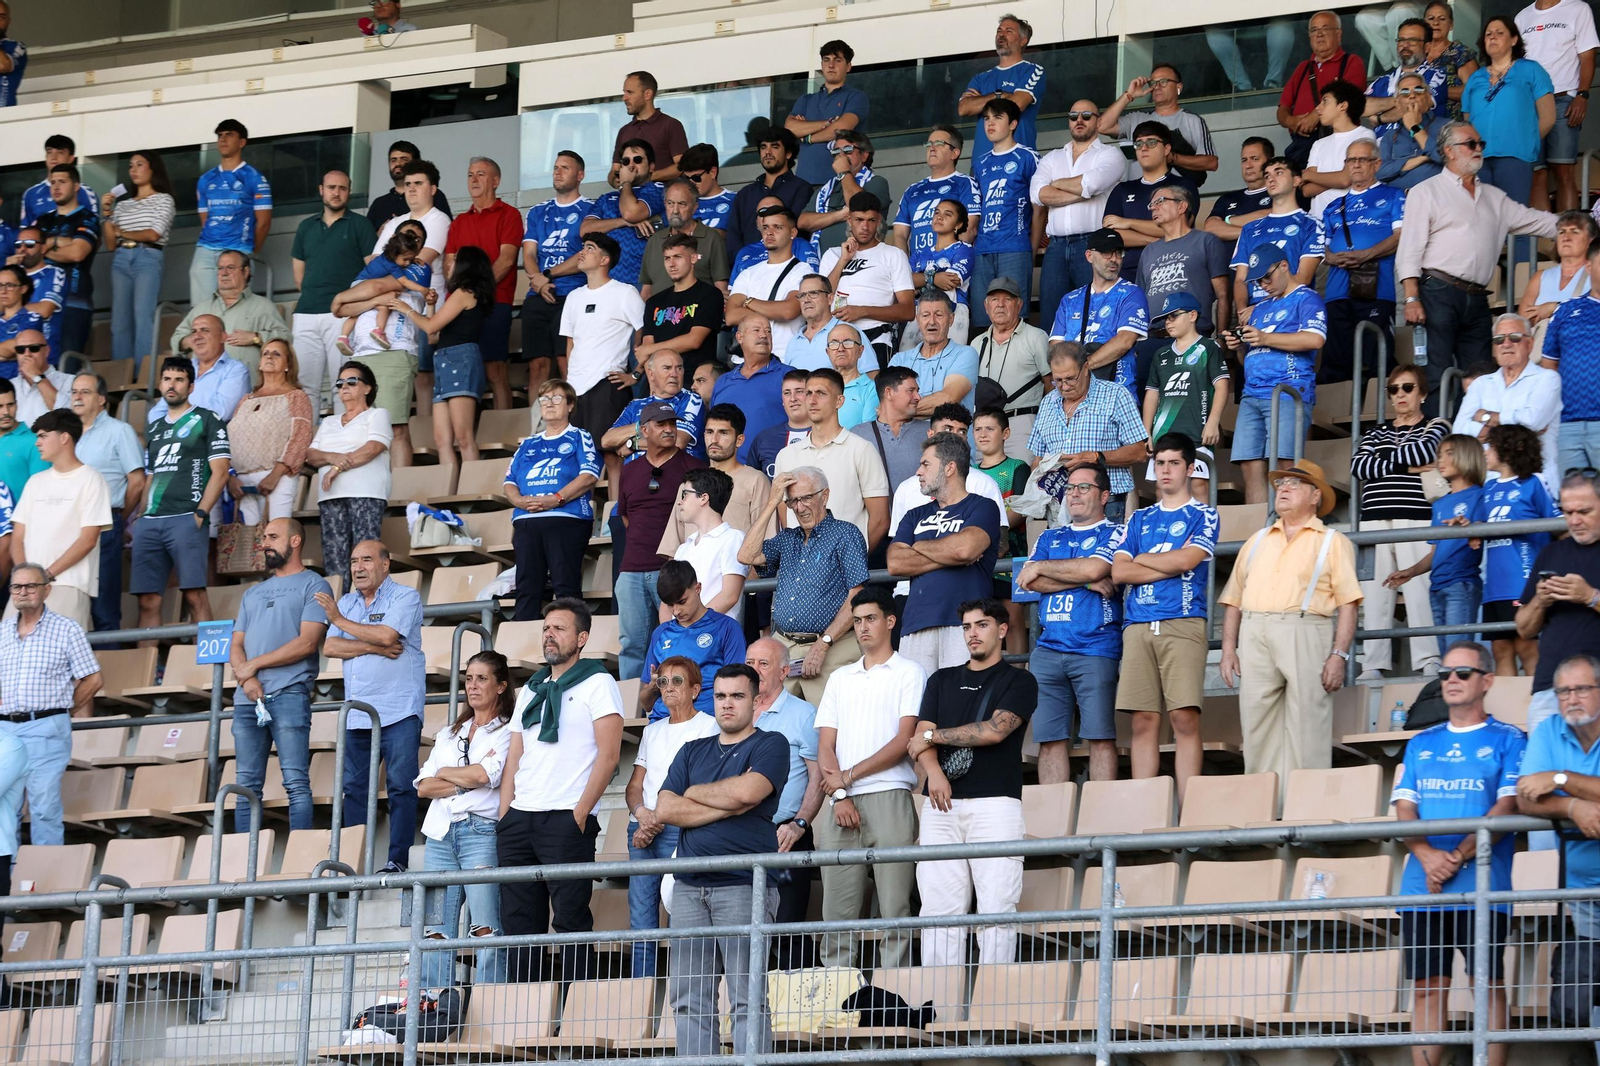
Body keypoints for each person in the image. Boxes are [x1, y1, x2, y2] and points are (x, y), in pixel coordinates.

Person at [1392, 640, 1520, 1065]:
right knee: (1428, 986)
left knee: (1487, 985)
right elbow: (1404, 807)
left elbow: (1507, 805)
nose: (1451, 680)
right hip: (1422, 885)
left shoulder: (1509, 738)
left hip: (1482, 880)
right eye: (1445, 673)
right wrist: (1428, 856)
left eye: (1462, 673)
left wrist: (1458, 856)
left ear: (1487, 680)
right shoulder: (1421, 742)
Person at [656, 664, 788, 1055]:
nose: (727, 704)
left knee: (747, 997)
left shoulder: (771, 743)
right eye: (721, 696)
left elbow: (749, 792)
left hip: (745, 884)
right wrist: (727, 803)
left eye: (737, 696)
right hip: (689, 887)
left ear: (757, 699)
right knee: (688, 997)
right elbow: (664, 808)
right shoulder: (691, 750)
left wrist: (694, 793)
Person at [498, 598, 624, 981]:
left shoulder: (599, 682)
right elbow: (514, 758)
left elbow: (610, 755)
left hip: (566, 817)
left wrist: (579, 813)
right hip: (521, 818)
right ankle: (525, 1018)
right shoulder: (532, 688)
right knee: (519, 927)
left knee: (570, 922)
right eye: (546, 628)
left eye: (560, 629)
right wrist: (506, 816)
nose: (549, 635)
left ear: (582, 638)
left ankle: (573, 1018)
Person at [1220, 459, 1362, 793]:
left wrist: (1338, 654)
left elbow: (1348, 602)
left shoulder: (1331, 541)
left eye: (1293, 484)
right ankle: (1262, 808)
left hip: (1306, 628)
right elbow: (1233, 599)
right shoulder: (1257, 540)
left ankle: (1306, 807)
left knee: (1308, 723)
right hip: (1255, 632)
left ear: (1315, 496)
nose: (1282, 488)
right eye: (1280, 484)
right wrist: (1228, 649)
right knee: (1256, 724)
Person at [1397, 121, 1559, 415]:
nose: (1478, 149)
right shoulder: (1427, 191)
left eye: (1480, 144)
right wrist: (1411, 298)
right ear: (1448, 150)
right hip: (1436, 291)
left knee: (1481, 376)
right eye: (1470, 144)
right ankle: (1437, 444)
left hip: (1477, 298)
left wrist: (1580, 226)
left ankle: (1474, 445)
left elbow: (1540, 222)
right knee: (1436, 374)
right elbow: (1410, 249)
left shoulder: (1494, 197)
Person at [908, 598, 1036, 968]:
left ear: (1001, 629)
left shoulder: (1020, 680)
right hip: (940, 805)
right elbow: (920, 737)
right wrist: (934, 773)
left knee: (996, 909)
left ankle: (994, 1016)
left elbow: (995, 731)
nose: (972, 634)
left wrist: (934, 739)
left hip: (995, 803)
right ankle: (938, 1012)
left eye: (981, 625)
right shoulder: (941, 679)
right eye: (966, 627)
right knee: (938, 911)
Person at [812, 585, 924, 968]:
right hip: (840, 801)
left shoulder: (910, 671)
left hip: (890, 794)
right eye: (857, 621)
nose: (862, 628)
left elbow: (904, 739)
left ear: (890, 621)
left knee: (895, 907)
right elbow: (824, 744)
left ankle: (893, 1002)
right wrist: (840, 794)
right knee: (836, 914)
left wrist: (847, 779)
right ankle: (836, 1003)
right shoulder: (840, 678)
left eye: (870, 619)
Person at [1105, 433, 1218, 800]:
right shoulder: (1138, 518)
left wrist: (1141, 560)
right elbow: (1119, 573)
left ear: (1189, 468)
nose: (1165, 470)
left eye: (1173, 463)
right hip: (1137, 624)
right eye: (1160, 463)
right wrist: (1161, 564)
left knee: (1184, 718)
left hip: (1183, 620)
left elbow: (1188, 561)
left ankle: (1188, 813)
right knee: (1142, 720)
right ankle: (1141, 812)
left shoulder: (1205, 513)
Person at [321, 540, 425, 874]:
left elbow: (387, 634)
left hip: (399, 710)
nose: (358, 567)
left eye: (367, 560)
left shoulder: (404, 596)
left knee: (400, 786)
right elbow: (331, 647)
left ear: (385, 564)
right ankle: (352, 865)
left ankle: (398, 861)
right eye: (353, 561)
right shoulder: (349, 601)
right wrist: (376, 648)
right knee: (354, 791)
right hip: (358, 714)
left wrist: (339, 619)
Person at [1017, 462, 1121, 784]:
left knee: (1100, 738)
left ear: (1104, 495)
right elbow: (1028, 580)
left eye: (1084, 487)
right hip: (1048, 650)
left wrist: (1067, 571)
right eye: (1070, 488)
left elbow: (1094, 568)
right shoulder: (1049, 537)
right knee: (1049, 741)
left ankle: (1102, 819)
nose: (1074, 494)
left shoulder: (1117, 531)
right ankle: (1053, 821)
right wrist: (1086, 581)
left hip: (1096, 647)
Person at [415, 650, 513, 990]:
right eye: (469, 678)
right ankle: (432, 1004)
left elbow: (488, 775)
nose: (473, 685)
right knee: (434, 927)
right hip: (440, 835)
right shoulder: (448, 732)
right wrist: (462, 778)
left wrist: (447, 774)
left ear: (501, 686)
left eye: (482, 678)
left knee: (485, 926)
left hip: (481, 833)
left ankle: (491, 1009)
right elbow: (424, 786)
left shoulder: (507, 731)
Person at [229, 518, 331, 834]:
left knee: (296, 781)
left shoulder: (315, 584)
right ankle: (239, 871)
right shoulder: (253, 592)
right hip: (247, 698)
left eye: (273, 536)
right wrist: (247, 679)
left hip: (289, 692)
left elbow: (308, 642)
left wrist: (253, 666)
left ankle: (300, 860)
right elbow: (235, 644)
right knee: (245, 785)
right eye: (264, 538)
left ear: (296, 541)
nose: (265, 543)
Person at [738, 467, 870, 702]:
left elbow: (857, 596)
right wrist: (771, 503)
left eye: (806, 498)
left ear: (824, 496)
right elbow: (746, 556)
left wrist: (823, 644)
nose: (799, 508)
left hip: (832, 646)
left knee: (827, 728)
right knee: (772, 724)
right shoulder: (788, 539)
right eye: (792, 501)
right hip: (785, 648)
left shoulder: (845, 533)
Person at [1352, 364, 1450, 678]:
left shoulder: (1436, 425)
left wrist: (1390, 461)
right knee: (1376, 594)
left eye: (1407, 388)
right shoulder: (1375, 431)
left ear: (1421, 393)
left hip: (1417, 517)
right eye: (1394, 390)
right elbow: (1359, 467)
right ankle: (1373, 663)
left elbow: (1425, 450)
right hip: (1374, 519)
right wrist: (1409, 468)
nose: (1400, 395)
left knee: (1420, 589)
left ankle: (1428, 659)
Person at [1515, 654, 1600, 1011]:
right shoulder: (1550, 729)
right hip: (1583, 890)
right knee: (1594, 1001)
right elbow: (1526, 796)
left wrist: (1561, 779)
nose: (1572, 698)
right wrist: (1571, 807)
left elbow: (1545, 784)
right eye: (1563, 691)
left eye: (1581, 689)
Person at [624, 656, 719, 976]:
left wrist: (656, 819)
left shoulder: (709, 726)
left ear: (695, 689)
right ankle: (641, 997)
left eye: (677, 681)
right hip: (644, 827)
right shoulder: (652, 730)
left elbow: (699, 788)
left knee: (683, 916)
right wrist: (641, 814)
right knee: (641, 920)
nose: (668, 688)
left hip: (681, 831)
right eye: (662, 682)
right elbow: (635, 784)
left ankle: (683, 995)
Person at [0, 561, 99, 846]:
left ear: (47, 590)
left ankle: (49, 882)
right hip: (5, 729)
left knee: (44, 808)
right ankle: (6, 880)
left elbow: (93, 679)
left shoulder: (67, 629)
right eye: (17, 586)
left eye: (31, 586)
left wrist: (63, 710)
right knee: (5, 808)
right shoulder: (2, 631)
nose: (23, 592)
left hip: (46, 727)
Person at [889, 433, 1002, 674]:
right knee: (919, 708)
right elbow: (895, 563)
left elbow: (965, 549)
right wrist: (951, 555)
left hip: (965, 624)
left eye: (926, 464)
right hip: (917, 623)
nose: (918, 471)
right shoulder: (914, 514)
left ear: (950, 468)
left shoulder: (983, 506)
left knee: (962, 706)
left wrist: (919, 546)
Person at [1226, 244, 1329, 504]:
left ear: (1284, 266)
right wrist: (1240, 347)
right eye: (1258, 280)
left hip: (1288, 391)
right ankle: (1260, 530)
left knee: (1285, 463)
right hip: (1252, 394)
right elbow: (1249, 356)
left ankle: (1285, 525)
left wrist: (1264, 337)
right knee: (1248, 463)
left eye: (1267, 277)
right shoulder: (1259, 308)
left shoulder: (1307, 298)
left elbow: (1316, 339)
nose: (1263, 284)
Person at [133, 359, 229, 632]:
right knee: (148, 601)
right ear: (160, 383)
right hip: (150, 521)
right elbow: (151, 476)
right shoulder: (154, 428)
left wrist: (200, 514)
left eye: (179, 379)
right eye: (167, 379)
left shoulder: (209, 419)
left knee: (194, 595)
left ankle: (210, 671)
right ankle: (147, 672)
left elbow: (220, 472)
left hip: (187, 517)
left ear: (191, 386)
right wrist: (141, 515)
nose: (171, 385)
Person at [745, 638, 822, 969]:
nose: (754, 670)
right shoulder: (734, 712)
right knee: (742, 932)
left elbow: (818, 777)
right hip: (740, 835)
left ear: (784, 671)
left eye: (763, 664)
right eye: (750, 663)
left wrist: (799, 824)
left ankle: (799, 1011)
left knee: (786, 928)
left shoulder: (804, 714)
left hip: (786, 833)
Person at [616, 403, 705, 682]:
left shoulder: (693, 468)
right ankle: (633, 710)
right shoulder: (629, 471)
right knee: (632, 645)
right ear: (644, 430)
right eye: (660, 424)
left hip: (674, 569)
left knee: (679, 639)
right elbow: (626, 517)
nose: (669, 429)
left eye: (672, 424)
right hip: (631, 569)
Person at [387, 244, 495, 470]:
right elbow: (434, 336)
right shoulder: (458, 294)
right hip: (445, 360)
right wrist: (430, 306)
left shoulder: (464, 292)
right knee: (442, 440)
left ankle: (471, 488)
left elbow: (429, 328)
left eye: (455, 260)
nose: (450, 264)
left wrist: (406, 309)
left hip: (460, 360)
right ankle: (451, 489)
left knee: (463, 437)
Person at [364, 159, 450, 441]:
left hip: (424, 307)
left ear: (433, 188)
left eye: (419, 184)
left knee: (424, 375)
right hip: (392, 307)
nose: (412, 190)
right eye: (408, 184)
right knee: (397, 376)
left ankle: (426, 437)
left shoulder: (439, 219)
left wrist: (386, 269)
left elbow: (421, 263)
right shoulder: (396, 223)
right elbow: (371, 260)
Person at [505, 378, 599, 619]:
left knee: (565, 586)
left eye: (556, 398)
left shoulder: (580, 436)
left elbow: (589, 476)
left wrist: (555, 499)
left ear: (570, 406)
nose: (549, 403)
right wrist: (519, 502)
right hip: (527, 521)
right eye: (544, 399)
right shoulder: (527, 443)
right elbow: (510, 482)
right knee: (526, 588)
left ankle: (572, 645)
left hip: (566, 519)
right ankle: (522, 650)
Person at [1385, 433, 1487, 656]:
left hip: (1461, 583)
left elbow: (1482, 525)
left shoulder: (1480, 495)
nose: (1441, 460)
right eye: (1439, 455)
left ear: (1467, 456)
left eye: (1449, 454)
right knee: (1446, 654)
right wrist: (1411, 571)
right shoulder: (1440, 503)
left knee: (1458, 653)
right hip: (1437, 585)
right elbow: (1435, 551)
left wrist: (1471, 528)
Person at [8, 408, 108, 632]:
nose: (37, 443)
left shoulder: (92, 479)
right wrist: (27, 580)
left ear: (64, 437)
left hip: (69, 584)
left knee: (60, 662)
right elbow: (17, 537)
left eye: (43, 436)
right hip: (25, 588)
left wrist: (45, 576)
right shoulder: (35, 481)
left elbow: (88, 540)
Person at [1028, 341, 1151, 521]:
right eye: (1058, 380)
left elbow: (1139, 452)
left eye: (1070, 378)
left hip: (1104, 503)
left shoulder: (1115, 395)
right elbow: (1037, 459)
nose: (1064, 386)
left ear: (1086, 367)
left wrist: (1096, 457)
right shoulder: (1048, 402)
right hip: (1059, 505)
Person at [1033, 100, 1131, 325]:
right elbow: (1037, 194)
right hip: (1055, 247)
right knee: (1053, 318)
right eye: (1073, 115)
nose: (1079, 120)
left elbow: (1094, 183)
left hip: (1093, 244)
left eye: (1086, 115)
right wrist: (1083, 192)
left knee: (1095, 315)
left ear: (1098, 121)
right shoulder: (1052, 157)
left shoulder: (1111, 155)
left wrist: (1056, 184)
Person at [291, 171, 378, 419]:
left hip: (341, 315)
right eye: (331, 187)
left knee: (345, 385)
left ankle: (345, 443)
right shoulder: (306, 226)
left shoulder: (360, 224)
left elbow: (371, 270)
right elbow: (299, 276)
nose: (336, 192)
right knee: (305, 386)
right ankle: (306, 447)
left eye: (342, 188)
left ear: (349, 192)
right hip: (306, 313)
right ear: (321, 189)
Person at [1474, 423, 1559, 676]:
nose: (1486, 452)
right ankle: (1508, 711)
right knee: (1500, 648)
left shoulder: (1534, 483)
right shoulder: (1488, 488)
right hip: (1494, 585)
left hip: (1522, 580)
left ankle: (1539, 708)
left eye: (1491, 447)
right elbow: (1481, 525)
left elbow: (1557, 523)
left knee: (1527, 646)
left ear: (1508, 451)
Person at [439, 158, 522, 411]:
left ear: (495, 181)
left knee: (495, 371)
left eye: (481, 174)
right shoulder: (459, 223)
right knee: (459, 374)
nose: (474, 180)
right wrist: (464, 296)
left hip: (494, 302)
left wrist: (475, 292)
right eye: (470, 175)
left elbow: (506, 260)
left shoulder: (510, 215)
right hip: (461, 309)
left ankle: (502, 431)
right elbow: (448, 267)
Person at [1320, 140, 1406, 383]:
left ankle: (1379, 415)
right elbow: (1322, 248)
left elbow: (1400, 236)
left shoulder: (1393, 195)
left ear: (1376, 163)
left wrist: (1367, 254)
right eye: (1351, 160)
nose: (1355, 165)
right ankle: (1336, 415)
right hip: (1337, 291)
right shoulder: (1333, 206)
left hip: (1376, 288)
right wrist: (1332, 257)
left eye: (1362, 159)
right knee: (1336, 361)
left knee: (1378, 356)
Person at [773, 368, 890, 547]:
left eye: (821, 393)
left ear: (839, 401)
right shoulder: (786, 455)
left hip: (846, 569)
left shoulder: (862, 449)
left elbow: (880, 520)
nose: (812, 400)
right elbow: (786, 516)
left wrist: (851, 562)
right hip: (801, 568)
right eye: (808, 393)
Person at [1132, 188, 1232, 396]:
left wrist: (1221, 338)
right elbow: (1140, 300)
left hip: (1192, 338)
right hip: (1152, 341)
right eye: (1152, 204)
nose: (1154, 208)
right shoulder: (1149, 251)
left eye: (1160, 201)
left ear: (1182, 206)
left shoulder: (1206, 241)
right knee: (1148, 410)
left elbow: (1223, 294)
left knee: (1194, 410)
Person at [1451, 313, 1562, 489]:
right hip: (1488, 485)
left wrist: (1485, 418)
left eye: (1515, 337)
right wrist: (1518, 433)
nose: (1506, 344)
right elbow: (1460, 432)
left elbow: (1533, 421)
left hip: (1537, 484)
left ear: (1530, 344)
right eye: (1499, 339)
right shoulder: (1480, 384)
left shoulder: (1547, 379)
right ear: (1494, 348)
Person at [306, 361, 392, 586]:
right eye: (340, 382)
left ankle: (366, 609)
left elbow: (372, 448)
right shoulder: (329, 422)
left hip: (366, 493)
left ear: (367, 388)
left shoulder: (377, 414)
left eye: (352, 381)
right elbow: (312, 455)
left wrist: (336, 467)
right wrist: (334, 458)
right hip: (330, 496)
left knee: (365, 557)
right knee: (335, 561)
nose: (344, 386)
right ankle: (339, 614)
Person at [68, 374, 142, 636]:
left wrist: (119, 516)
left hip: (103, 525)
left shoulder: (119, 431)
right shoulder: (66, 434)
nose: (77, 397)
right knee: (68, 606)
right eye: (74, 392)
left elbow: (136, 480)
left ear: (101, 399)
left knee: (104, 609)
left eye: (85, 392)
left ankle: (111, 670)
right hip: (67, 528)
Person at [1462, 16, 1557, 208]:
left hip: (1515, 156)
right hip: (1479, 158)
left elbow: (1548, 117)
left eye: (1499, 33)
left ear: (1514, 40)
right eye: (1488, 34)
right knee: (1484, 220)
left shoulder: (1531, 69)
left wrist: (1525, 140)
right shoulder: (1475, 78)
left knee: (1515, 220)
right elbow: (1467, 121)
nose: (1493, 37)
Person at [1143, 293, 1230, 502]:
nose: (1168, 322)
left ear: (1192, 315)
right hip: (1164, 435)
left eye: (1174, 316)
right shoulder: (1161, 354)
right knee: (1162, 491)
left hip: (1197, 434)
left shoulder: (1209, 348)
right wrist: (1146, 432)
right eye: (1165, 318)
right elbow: (1152, 394)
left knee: (1198, 487)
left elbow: (1222, 385)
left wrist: (1213, 422)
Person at [562, 234, 646, 444]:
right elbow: (570, 345)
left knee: (609, 452)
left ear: (604, 260)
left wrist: (635, 374)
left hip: (607, 384)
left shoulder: (625, 292)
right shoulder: (573, 297)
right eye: (583, 247)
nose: (582, 252)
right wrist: (568, 384)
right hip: (575, 387)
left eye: (590, 248)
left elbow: (646, 333)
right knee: (576, 453)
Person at [660, 405, 776, 556]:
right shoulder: (687, 485)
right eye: (709, 432)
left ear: (739, 440)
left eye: (723, 432)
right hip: (691, 577)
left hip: (737, 575)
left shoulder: (755, 481)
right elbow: (673, 548)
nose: (714, 439)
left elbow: (766, 541)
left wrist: (747, 579)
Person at [640, 559, 746, 722]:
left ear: (698, 588)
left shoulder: (726, 628)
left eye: (682, 602)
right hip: (662, 722)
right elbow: (645, 704)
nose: (676, 611)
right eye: (670, 605)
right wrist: (654, 686)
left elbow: (737, 688)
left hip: (708, 722)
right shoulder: (660, 634)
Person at [521, 151, 595, 385]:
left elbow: (585, 255)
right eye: (555, 167)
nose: (557, 172)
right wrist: (538, 281)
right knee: (537, 367)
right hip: (537, 295)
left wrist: (546, 276)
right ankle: (536, 423)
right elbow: (529, 253)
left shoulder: (591, 210)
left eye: (565, 168)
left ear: (580, 175)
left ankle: (573, 421)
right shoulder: (537, 211)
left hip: (572, 294)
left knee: (567, 363)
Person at [1518, 0, 1599, 212]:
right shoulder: (1522, 17)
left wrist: (1582, 95)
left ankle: (1569, 239)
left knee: (1563, 171)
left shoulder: (1577, 9)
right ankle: (1544, 243)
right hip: (1529, 104)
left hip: (1564, 99)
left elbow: (1587, 56)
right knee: (1536, 173)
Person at [226, 339, 313, 526]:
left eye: (277, 354)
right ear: (259, 363)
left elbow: (300, 439)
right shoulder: (245, 399)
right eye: (266, 353)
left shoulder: (296, 397)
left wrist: (275, 476)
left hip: (277, 478)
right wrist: (230, 478)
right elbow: (229, 440)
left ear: (288, 364)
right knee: (249, 544)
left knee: (276, 536)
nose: (269, 357)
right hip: (242, 482)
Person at [819, 193, 914, 363]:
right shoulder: (832, 255)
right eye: (859, 220)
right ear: (849, 220)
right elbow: (821, 299)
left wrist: (862, 311)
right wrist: (843, 260)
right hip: (834, 341)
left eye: (871, 220)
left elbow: (908, 310)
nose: (865, 227)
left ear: (879, 221)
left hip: (876, 339)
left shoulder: (893, 255)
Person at [969, 99, 1038, 333]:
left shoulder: (1028, 157)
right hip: (982, 249)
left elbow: (1040, 207)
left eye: (997, 118)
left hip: (1015, 247)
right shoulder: (980, 163)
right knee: (982, 319)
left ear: (1013, 124)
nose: (990, 123)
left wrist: (1032, 245)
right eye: (986, 118)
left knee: (1014, 319)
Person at [100, 151, 174, 368]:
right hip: (122, 257)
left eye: (140, 164)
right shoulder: (122, 205)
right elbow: (111, 244)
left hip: (148, 255)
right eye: (131, 165)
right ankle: (121, 372)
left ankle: (143, 374)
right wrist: (106, 214)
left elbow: (153, 234)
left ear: (153, 169)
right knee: (119, 321)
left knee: (143, 316)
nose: (133, 170)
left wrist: (121, 231)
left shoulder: (164, 199)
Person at [1102, 123, 1202, 283]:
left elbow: (1180, 228)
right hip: (1127, 272)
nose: (1144, 148)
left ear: (1167, 149)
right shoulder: (1122, 189)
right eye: (1139, 143)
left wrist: (1127, 223)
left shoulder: (1183, 186)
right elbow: (1112, 236)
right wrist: (1154, 240)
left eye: (1151, 142)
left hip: (1171, 269)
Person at [171, 250, 291, 381]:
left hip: (247, 387)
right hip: (204, 387)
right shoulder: (201, 308)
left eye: (230, 267)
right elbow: (177, 340)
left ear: (246, 271)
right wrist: (193, 339)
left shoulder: (263, 306)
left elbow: (286, 338)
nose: (224, 273)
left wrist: (256, 337)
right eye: (220, 268)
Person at [191, 119, 272, 310]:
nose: (223, 139)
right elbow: (206, 220)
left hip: (238, 248)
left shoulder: (254, 177)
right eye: (220, 135)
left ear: (242, 142)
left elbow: (264, 223)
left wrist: (248, 252)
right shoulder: (206, 179)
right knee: (201, 309)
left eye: (229, 135)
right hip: (205, 249)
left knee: (234, 306)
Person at [1231, 156, 1326, 317]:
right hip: (1252, 314)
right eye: (1267, 176)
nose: (1271, 179)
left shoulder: (1311, 224)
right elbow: (1241, 279)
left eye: (1279, 173)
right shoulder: (1250, 228)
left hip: (1292, 309)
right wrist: (1242, 312)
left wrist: (1264, 307)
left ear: (1296, 181)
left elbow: (1304, 276)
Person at [1098, 65, 1220, 186]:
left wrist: (1172, 158)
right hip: (1137, 197)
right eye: (1153, 83)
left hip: (1175, 198)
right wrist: (1129, 95)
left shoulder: (1192, 120)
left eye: (1163, 82)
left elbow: (1211, 162)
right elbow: (1102, 126)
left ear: (1179, 87)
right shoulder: (1137, 118)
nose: (1157, 87)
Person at [970, 277, 1050, 458]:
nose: (1000, 305)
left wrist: (1044, 426)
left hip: (1021, 422)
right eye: (994, 299)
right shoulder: (976, 343)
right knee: (982, 483)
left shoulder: (1037, 337)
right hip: (984, 426)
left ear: (1019, 305)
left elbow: (1051, 385)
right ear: (986, 306)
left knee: (1020, 479)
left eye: (1007, 299)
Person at [1278, 11, 1370, 163]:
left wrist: (1315, 115)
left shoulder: (1352, 62)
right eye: (1314, 30)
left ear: (1339, 34)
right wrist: (1291, 122)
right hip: (1302, 145)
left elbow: (1350, 97)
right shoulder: (1303, 68)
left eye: (1325, 29)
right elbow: (1282, 108)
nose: (1319, 34)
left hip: (1340, 142)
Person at [33, 164, 99, 358]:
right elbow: (29, 254)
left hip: (74, 302)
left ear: (76, 186)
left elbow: (77, 253)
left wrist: (46, 245)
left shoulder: (88, 218)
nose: (56, 187)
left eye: (62, 182)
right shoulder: (42, 221)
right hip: (40, 301)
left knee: (67, 366)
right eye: (52, 183)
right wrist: (62, 243)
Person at [584, 141, 668, 292]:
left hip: (645, 283)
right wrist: (623, 222)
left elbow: (631, 213)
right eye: (625, 161)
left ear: (651, 166)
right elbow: (585, 231)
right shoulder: (607, 198)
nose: (631, 165)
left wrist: (625, 183)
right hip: (607, 283)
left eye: (637, 160)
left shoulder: (659, 190)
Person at [669, 467, 749, 623]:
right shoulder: (684, 548)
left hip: (715, 637)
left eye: (685, 495)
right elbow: (670, 597)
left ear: (703, 498)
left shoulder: (733, 538)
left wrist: (692, 626)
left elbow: (729, 596)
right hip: (682, 637)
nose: (680, 501)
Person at [727, 206, 808, 358]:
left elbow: (788, 311)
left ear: (793, 233)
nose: (769, 232)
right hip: (744, 361)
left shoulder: (803, 270)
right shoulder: (748, 272)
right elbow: (731, 315)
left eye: (777, 227)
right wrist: (773, 310)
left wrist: (749, 302)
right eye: (765, 227)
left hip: (784, 358)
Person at [638, 233, 724, 376]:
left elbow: (693, 340)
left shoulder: (710, 294)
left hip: (693, 378)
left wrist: (650, 349)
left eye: (678, 257)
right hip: (658, 379)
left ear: (694, 258)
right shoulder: (655, 301)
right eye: (667, 258)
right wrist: (653, 384)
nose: (671, 264)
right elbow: (647, 347)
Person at [960, 14, 1045, 158]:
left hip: (1019, 160)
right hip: (982, 161)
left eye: (1008, 31)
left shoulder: (1032, 70)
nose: (1001, 34)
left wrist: (981, 100)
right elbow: (964, 108)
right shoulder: (980, 78)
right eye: (999, 31)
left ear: (1023, 40)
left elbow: (1017, 104)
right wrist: (999, 95)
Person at [786, 41, 870, 186]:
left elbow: (841, 130)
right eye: (826, 60)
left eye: (837, 60)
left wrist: (807, 137)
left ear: (848, 66)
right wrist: (827, 123)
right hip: (803, 181)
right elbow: (789, 129)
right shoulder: (806, 99)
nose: (831, 65)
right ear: (822, 65)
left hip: (840, 180)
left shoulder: (856, 97)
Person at [605, 349, 704, 471]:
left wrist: (632, 444)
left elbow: (677, 441)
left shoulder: (691, 399)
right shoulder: (636, 405)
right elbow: (607, 440)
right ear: (651, 374)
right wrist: (642, 427)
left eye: (679, 368)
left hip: (675, 475)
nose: (674, 373)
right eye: (667, 368)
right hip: (636, 476)